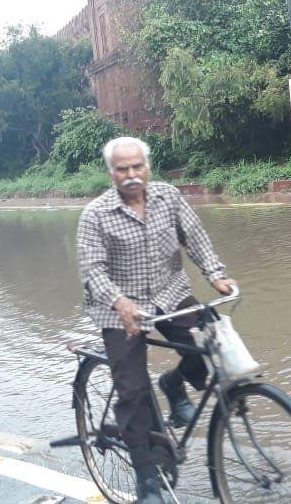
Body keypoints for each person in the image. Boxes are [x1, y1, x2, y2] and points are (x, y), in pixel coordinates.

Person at [76, 137, 237, 504]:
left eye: (137, 167)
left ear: (148, 167)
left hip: (170, 292)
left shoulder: (168, 197)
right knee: (131, 391)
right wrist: (120, 303)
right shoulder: (96, 214)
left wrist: (214, 274)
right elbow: (92, 272)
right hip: (119, 307)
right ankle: (147, 479)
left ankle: (174, 383)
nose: (131, 175)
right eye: (122, 169)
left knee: (205, 343)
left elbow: (194, 237)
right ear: (111, 173)